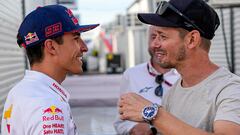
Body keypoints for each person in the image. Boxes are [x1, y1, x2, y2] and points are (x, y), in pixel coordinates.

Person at [118, 0, 240, 134]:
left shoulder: (231, 89)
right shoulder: (174, 92)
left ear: (192, 39)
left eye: (162, 36)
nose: (154, 45)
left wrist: (153, 114)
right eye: (154, 36)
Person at [1, 5, 99, 135]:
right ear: (51, 47)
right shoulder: (48, 105)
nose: (84, 47)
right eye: (76, 39)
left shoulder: (20, 91)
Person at [114, 26, 180, 135]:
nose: (156, 44)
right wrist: (133, 128)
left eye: (163, 37)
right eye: (153, 37)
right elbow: (120, 120)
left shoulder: (187, 76)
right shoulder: (131, 75)